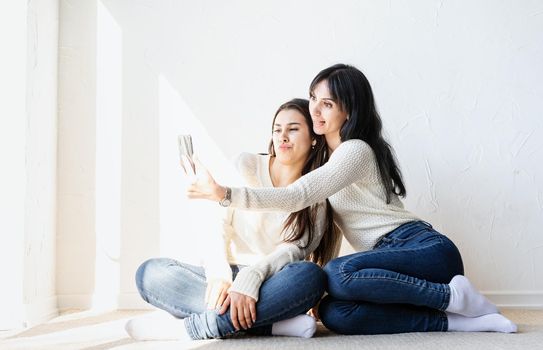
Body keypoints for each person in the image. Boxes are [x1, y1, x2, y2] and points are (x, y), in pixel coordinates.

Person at [187, 64, 517, 334]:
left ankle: (450, 296)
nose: (314, 109)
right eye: (313, 98)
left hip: (425, 251)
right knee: (335, 312)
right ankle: (453, 320)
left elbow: (296, 196)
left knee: (337, 275)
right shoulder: (329, 163)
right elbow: (329, 229)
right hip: (389, 261)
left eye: (326, 104)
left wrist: (224, 194)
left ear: (348, 112)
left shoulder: (354, 150)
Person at [125, 98, 341, 341]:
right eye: (277, 130)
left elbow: (291, 252)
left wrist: (251, 281)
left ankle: (196, 328)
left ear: (313, 138)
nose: (282, 137)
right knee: (150, 273)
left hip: (272, 282)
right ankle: (271, 325)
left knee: (310, 276)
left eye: (293, 129)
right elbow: (218, 222)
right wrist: (219, 274)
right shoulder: (246, 165)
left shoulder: (316, 197)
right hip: (228, 275)